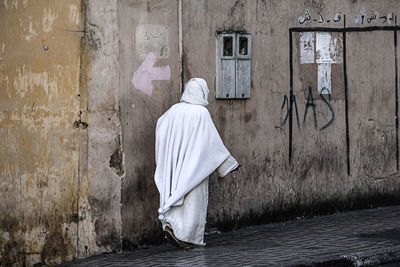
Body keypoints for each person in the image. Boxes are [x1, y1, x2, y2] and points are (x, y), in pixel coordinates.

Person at [154, 78, 239, 249]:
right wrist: (227, 164)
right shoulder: (200, 113)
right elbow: (211, 142)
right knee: (193, 201)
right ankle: (187, 239)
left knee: (174, 193)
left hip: (174, 163)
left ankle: (171, 226)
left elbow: (160, 128)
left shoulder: (172, 111)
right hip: (194, 166)